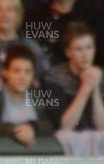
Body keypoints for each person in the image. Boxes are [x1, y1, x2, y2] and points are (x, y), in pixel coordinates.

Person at [44, 21, 104, 155]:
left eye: (89, 48)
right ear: (68, 52)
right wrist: (85, 88)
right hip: (62, 150)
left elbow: (102, 127)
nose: (85, 55)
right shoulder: (54, 79)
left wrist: (94, 89)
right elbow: (65, 126)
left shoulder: (99, 76)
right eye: (79, 49)